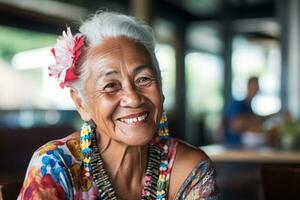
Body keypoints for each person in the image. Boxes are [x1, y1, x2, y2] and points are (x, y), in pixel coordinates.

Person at [17, 11, 218, 200]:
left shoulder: (190, 169)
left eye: (144, 79)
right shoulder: (54, 166)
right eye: (111, 85)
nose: (133, 98)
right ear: (81, 103)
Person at [224, 77, 266, 144]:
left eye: (257, 87)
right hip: (233, 146)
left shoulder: (249, 108)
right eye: (254, 86)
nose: (256, 89)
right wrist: (254, 121)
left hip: (245, 145)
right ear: (248, 87)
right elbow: (236, 124)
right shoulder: (237, 104)